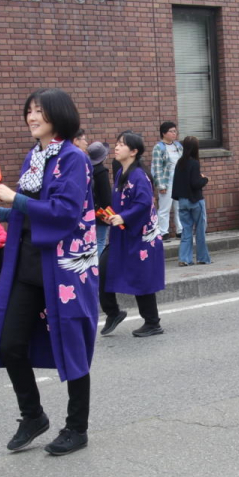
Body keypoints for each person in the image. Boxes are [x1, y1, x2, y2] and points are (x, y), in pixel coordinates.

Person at [0, 88, 98, 456]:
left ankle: (76, 427)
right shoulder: (34, 156)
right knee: (10, 343)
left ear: (58, 115)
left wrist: (13, 199)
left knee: (72, 343)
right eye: (29, 111)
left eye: (39, 112)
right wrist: (1, 212)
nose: (32, 117)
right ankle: (33, 415)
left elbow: (64, 211)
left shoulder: (74, 159)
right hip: (28, 262)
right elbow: (33, 208)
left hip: (63, 266)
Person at [100, 131, 167, 338]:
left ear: (134, 151)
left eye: (121, 144)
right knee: (103, 268)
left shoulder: (139, 175)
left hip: (141, 236)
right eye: (117, 143)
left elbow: (144, 203)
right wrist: (112, 215)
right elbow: (121, 203)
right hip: (123, 234)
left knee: (141, 278)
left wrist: (124, 218)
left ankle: (152, 322)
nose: (116, 147)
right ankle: (113, 312)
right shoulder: (121, 172)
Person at [172, 135, 211, 266]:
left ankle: (184, 258)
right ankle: (202, 258)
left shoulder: (179, 163)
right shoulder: (194, 163)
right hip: (195, 201)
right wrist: (205, 179)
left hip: (182, 201)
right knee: (200, 230)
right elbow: (195, 183)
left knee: (186, 231)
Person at [151, 122, 183, 238]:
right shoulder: (159, 147)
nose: (174, 133)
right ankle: (164, 232)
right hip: (167, 182)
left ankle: (180, 230)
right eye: (171, 131)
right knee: (165, 208)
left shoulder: (178, 146)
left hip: (179, 181)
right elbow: (157, 167)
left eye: (175, 131)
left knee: (179, 207)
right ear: (164, 133)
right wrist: (161, 186)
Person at [87, 141, 113, 257]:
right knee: (101, 240)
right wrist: (109, 213)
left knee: (92, 241)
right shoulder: (102, 172)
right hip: (101, 211)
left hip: (89, 209)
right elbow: (106, 196)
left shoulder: (87, 169)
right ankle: (99, 267)